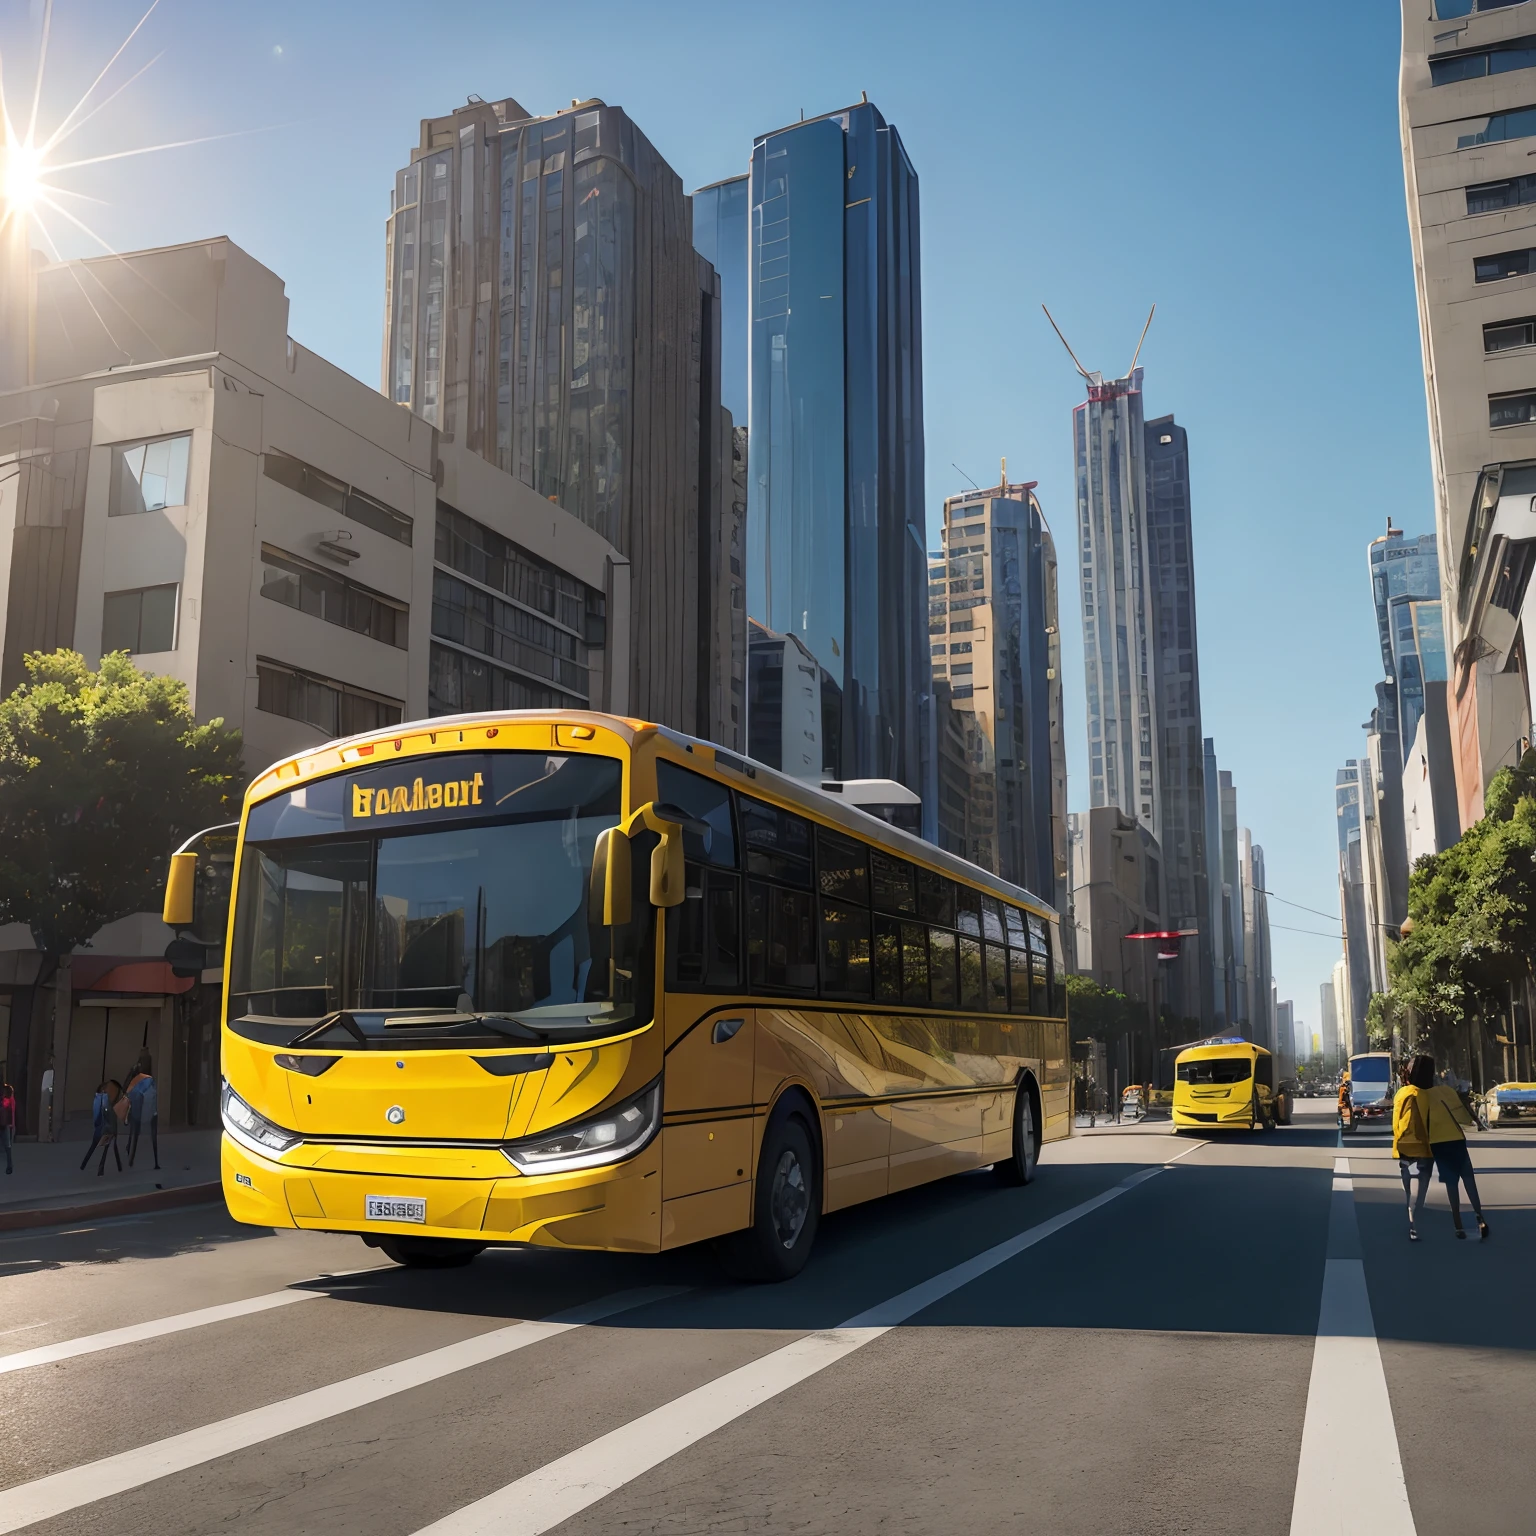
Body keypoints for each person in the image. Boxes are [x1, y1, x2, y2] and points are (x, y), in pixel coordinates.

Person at [1396, 1054, 1488, 1241]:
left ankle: (1458, 1225)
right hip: (1457, 1140)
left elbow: (1414, 1124)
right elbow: (1462, 1117)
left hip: (1437, 1144)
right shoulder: (1445, 1091)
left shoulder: (1415, 1095)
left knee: (1452, 1184)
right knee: (1469, 1179)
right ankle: (1480, 1218)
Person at [1392, 1060, 1433, 1241]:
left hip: (1403, 1146)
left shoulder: (1401, 1093)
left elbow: (1397, 1122)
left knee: (1408, 1186)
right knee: (1422, 1183)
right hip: (1422, 1145)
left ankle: (1411, 1213)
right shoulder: (1424, 1095)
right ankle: (1416, 1221)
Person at [79, 1079, 124, 1176]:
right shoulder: (104, 1101)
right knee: (105, 1148)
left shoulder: (99, 1099)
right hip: (106, 1129)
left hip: (104, 1128)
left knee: (100, 1147)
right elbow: (106, 1115)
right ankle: (101, 1169)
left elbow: (100, 1116)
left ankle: (86, 1165)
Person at [124, 1053, 159, 1170]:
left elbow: (128, 1090)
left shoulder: (144, 1079)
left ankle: (132, 1155)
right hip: (142, 1109)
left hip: (144, 1109)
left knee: (136, 1133)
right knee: (137, 1133)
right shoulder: (144, 1079)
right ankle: (132, 1155)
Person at [0, 1078, 15, 1174]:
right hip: (4, 1124)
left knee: (7, 1145)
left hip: (4, 1124)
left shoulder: (7, 1100)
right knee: (7, 1145)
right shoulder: (8, 1100)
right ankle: (9, 1165)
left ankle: (9, 1165)